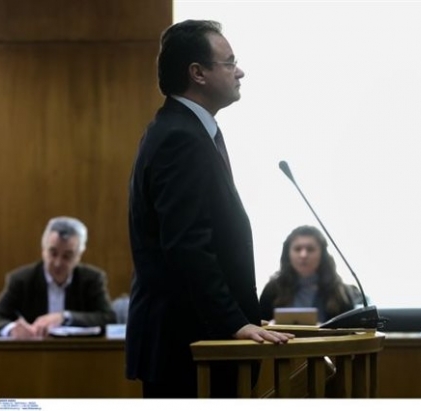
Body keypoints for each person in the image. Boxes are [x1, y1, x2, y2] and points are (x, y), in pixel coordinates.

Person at [126, 20, 293, 399]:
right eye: (230, 62)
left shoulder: (186, 130)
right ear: (197, 73)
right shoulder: (180, 137)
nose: (240, 71)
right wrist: (233, 322)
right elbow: (186, 244)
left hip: (196, 338)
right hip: (190, 344)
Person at [0, 216, 117, 338]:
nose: (58, 263)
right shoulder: (22, 280)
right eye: (53, 253)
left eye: (67, 256)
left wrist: (65, 317)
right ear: (43, 250)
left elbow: (109, 318)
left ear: (78, 256)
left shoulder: (91, 279)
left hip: (77, 353)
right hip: (34, 353)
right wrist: (11, 330)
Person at [259, 225, 360, 324]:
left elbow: (350, 330)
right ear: (287, 254)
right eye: (297, 249)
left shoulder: (340, 292)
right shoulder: (272, 289)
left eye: (310, 249)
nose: (303, 255)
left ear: (322, 254)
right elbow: (258, 326)